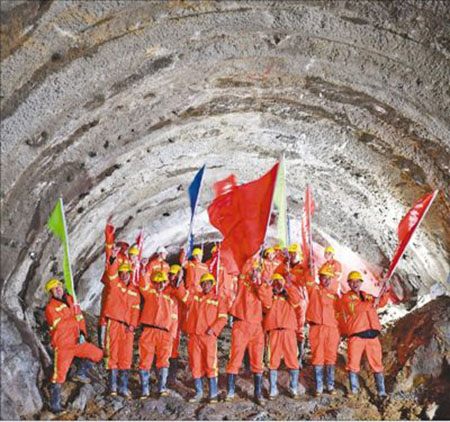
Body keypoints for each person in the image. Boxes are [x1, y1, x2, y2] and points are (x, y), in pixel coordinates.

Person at [45, 279, 103, 413]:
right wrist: (74, 318)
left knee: (98, 354)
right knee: (59, 376)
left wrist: (82, 332)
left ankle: (80, 373)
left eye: (59, 286)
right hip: (63, 345)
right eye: (54, 288)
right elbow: (60, 326)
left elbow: (80, 318)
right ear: (50, 293)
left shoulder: (71, 300)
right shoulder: (50, 308)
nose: (58, 289)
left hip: (77, 341)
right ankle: (55, 405)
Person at [339, 271, 399, 398]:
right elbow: (357, 308)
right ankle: (354, 391)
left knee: (377, 364)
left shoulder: (367, 296)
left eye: (357, 281)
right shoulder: (346, 298)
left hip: (372, 336)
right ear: (349, 283)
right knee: (353, 364)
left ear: (361, 283)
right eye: (352, 282)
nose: (355, 284)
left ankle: (381, 392)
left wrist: (386, 291)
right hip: (356, 336)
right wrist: (373, 302)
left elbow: (381, 303)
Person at [174, 273, 228, 402]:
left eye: (208, 283)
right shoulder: (195, 297)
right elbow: (182, 295)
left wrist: (214, 329)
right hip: (194, 336)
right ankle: (198, 393)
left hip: (208, 337)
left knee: (210, 364)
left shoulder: (218, 300)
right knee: (195, 364)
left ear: (212, 284)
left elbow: (223, 318)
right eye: (203, 283)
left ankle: (213, 394)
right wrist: (180, 280)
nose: (205, 285)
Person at [225, 257, 272, 405]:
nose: (254, 271)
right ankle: (230, 391)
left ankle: (257, 394)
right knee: (235, 359)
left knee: (258, 361)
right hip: (240, 324)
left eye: (256, 269)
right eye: (252, 268)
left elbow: (268, 303)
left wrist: (259, 283)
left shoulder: (262, 284)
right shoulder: (241, 280)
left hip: (257, 326)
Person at [103, 249, 141, 398]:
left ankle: (123, 388)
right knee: (112, 354)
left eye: (127, 273)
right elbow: (111, 272)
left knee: (126, 357)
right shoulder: (114, 284)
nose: (125, 275)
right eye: (122, 273)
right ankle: (112, 387)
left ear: (130, 274)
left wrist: (133, 325)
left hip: (128, 328)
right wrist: (112, 258)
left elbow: (135, 311)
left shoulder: (134, 292)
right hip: (114, 323)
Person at [138, 270, 178, 398]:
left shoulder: (171, 299)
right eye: (157, 282)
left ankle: (162, 387)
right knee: (145, 360)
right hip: (149, 331)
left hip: (165, 333)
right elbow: (143, 284)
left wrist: (172, 336)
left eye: (163, 282)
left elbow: (174, 319)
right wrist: (145, 271)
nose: (160, 285)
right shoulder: (149, 293)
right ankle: (145, 390)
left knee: (163, 361)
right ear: (153, 283)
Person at [264, 273, 303, 400]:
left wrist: (288, 285)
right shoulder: (271, 297)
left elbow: (297, 300)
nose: (277, 285)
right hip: (274, 331)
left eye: (279, 283)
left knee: (292, 360)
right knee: (272, 360)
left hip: (289, 331)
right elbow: (265, 302)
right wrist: (267, 286)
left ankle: (293, 388)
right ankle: (273, 389)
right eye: (275, 283)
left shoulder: (289, 298)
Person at [305, 266, 340, 396]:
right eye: (324, 277)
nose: (326, 280)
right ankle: (319, 387)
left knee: (331, 357)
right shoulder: (314, 289)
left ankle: (330, 386)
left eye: (329, 278)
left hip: (332, 329)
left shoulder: (335, 295)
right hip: (317, 327)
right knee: (317, 356)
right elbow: (307, 281)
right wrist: (310, 268)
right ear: (320, 278)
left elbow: (340, 313)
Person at [275, 243, 309, 367]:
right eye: (291, 252)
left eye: (294, 252)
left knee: (299, 328)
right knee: (286, 326)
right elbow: (275, 277)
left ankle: (299, 357)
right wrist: (282, 276)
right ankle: (284, 356)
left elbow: (305, 281)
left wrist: (292, 278)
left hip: (300, 301)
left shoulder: (302, 267)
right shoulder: (283, 266)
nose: (292, 254)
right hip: (287, 300)